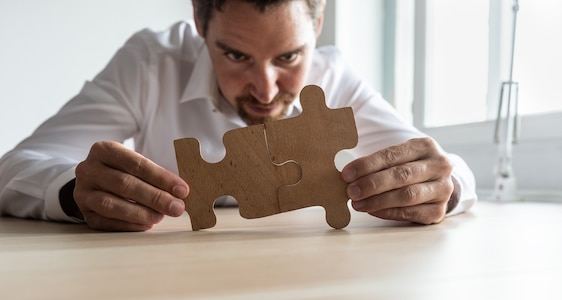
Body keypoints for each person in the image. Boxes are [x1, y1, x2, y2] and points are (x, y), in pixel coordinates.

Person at [0, 0, 476, 232]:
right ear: (200, 22)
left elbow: (444, 166)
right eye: (235, 56)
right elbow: (16, 166)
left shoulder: (335, 78)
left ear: (318, 25)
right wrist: (72, 191)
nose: (266, 90)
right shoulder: (150, 62)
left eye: (289, 57)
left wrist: (443, 187)